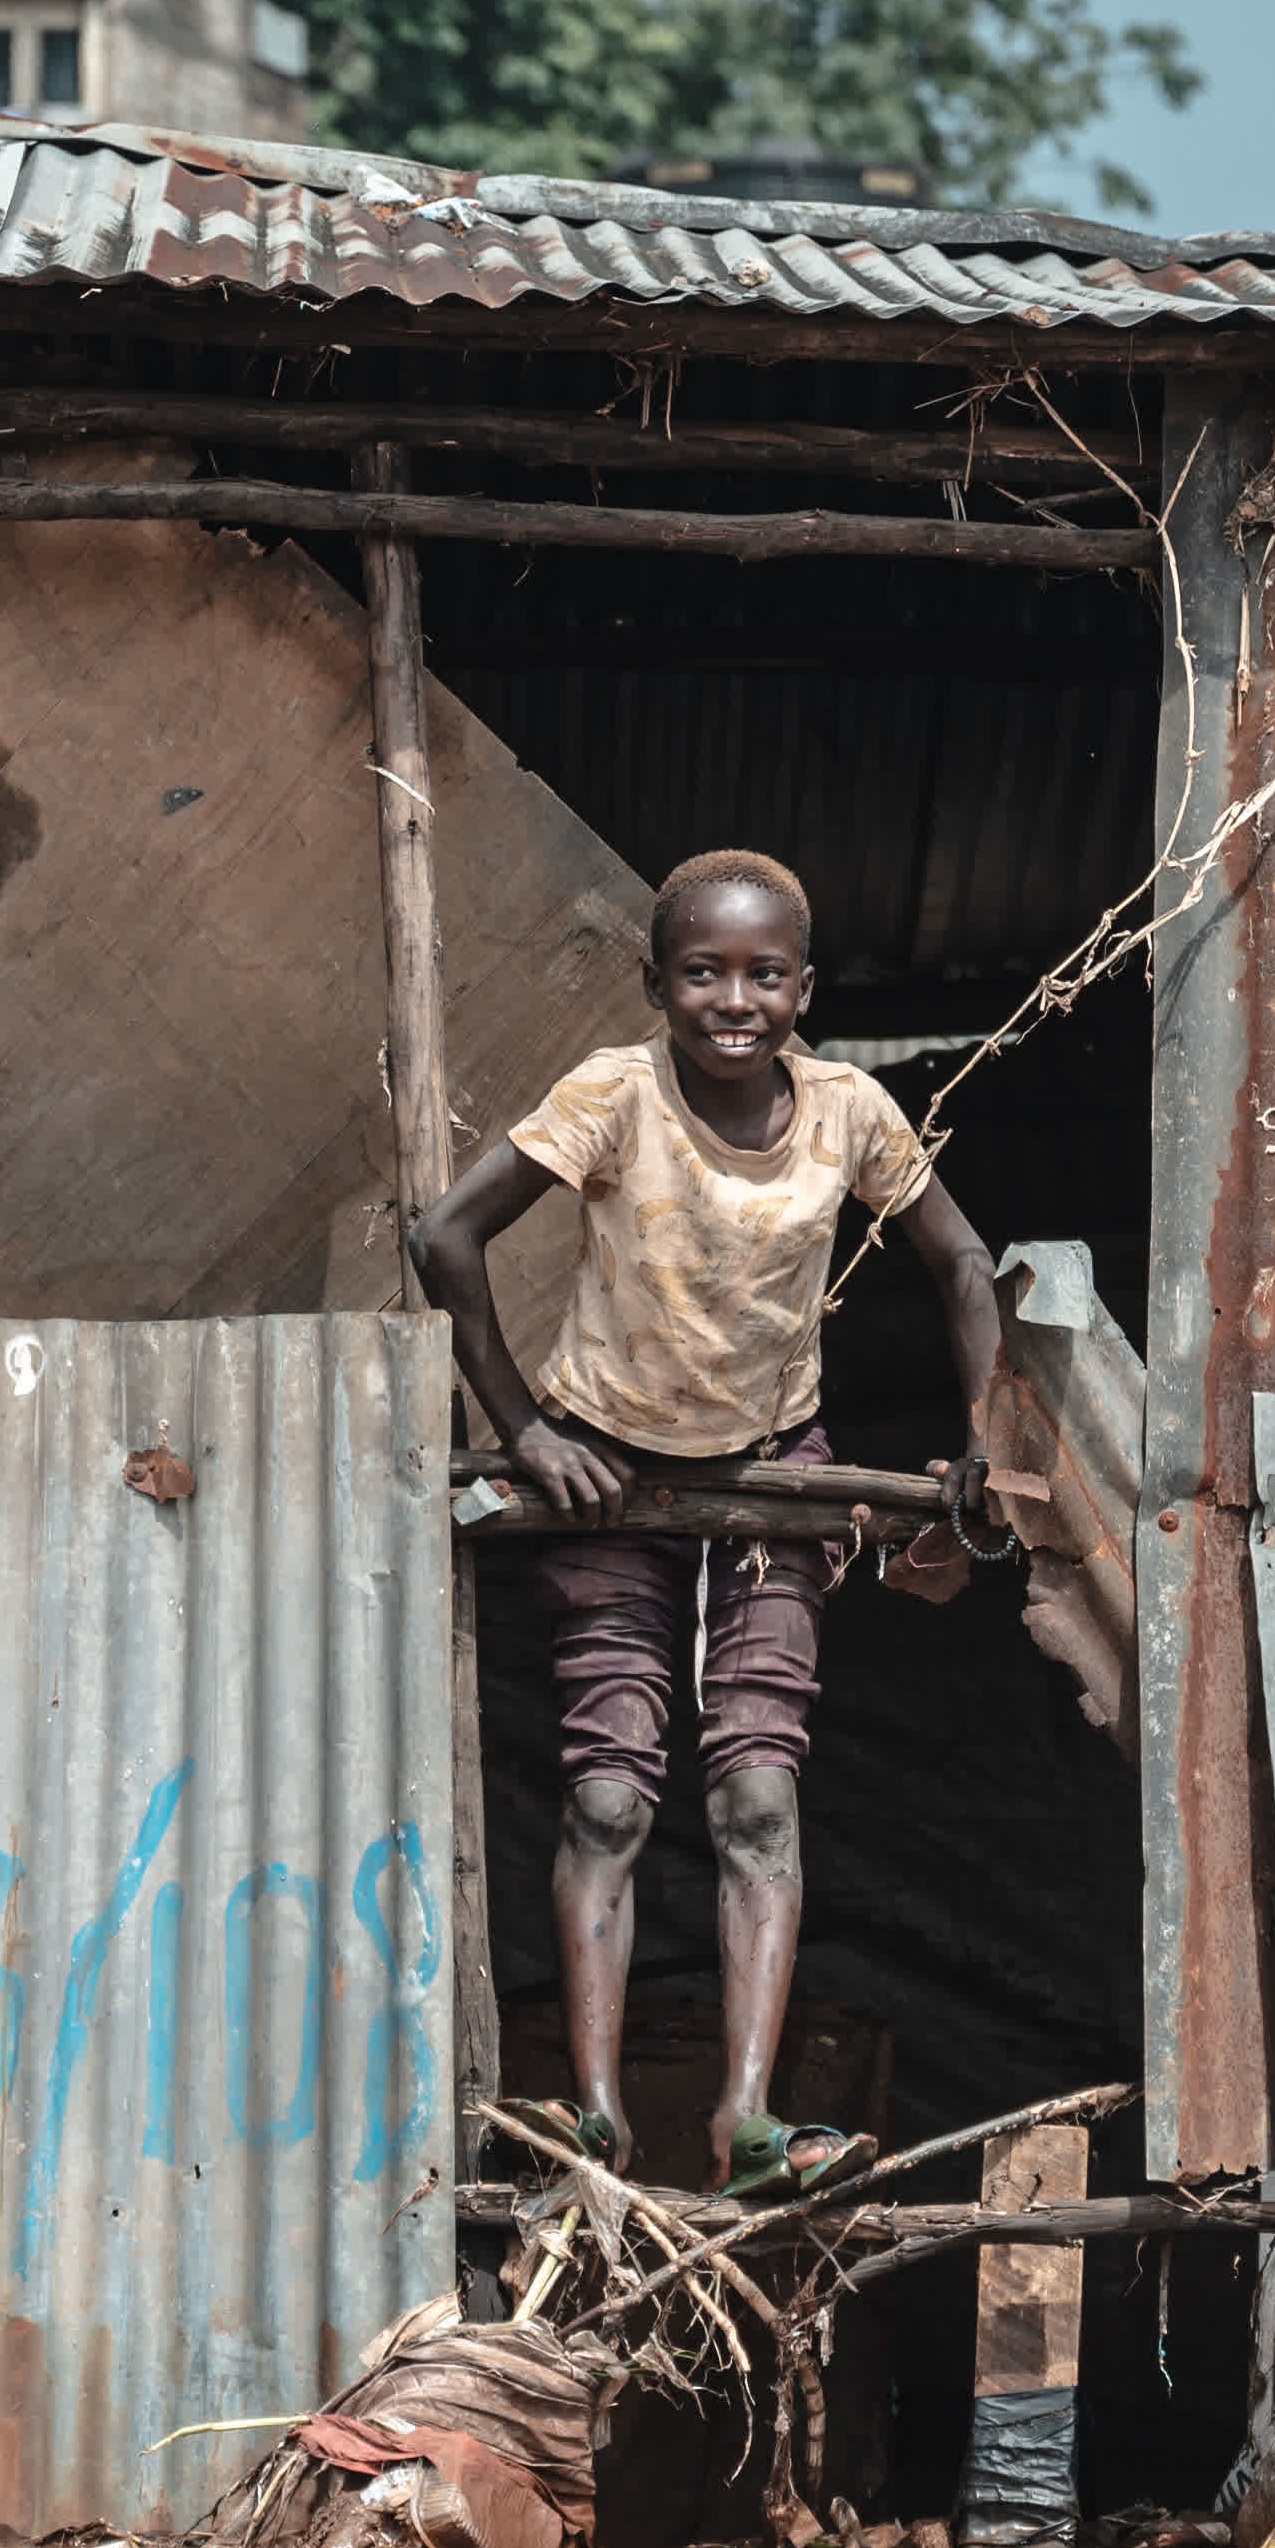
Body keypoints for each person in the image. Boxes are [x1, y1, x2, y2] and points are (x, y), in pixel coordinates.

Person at [410, 848, 1004, 2197]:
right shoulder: (614, 1098)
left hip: (770, 1483)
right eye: (701, 972)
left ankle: (748, 2119)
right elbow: (446, 1234)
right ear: (656, 984)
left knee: (754, 1794)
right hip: (610, 1478)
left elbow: (963, 1260)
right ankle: (597, 2114)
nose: (732, 1000)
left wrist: (988, 1440)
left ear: (807, 988)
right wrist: (525, 1429)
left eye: (763, 975)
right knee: (610, 1797)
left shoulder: (850, 1113)